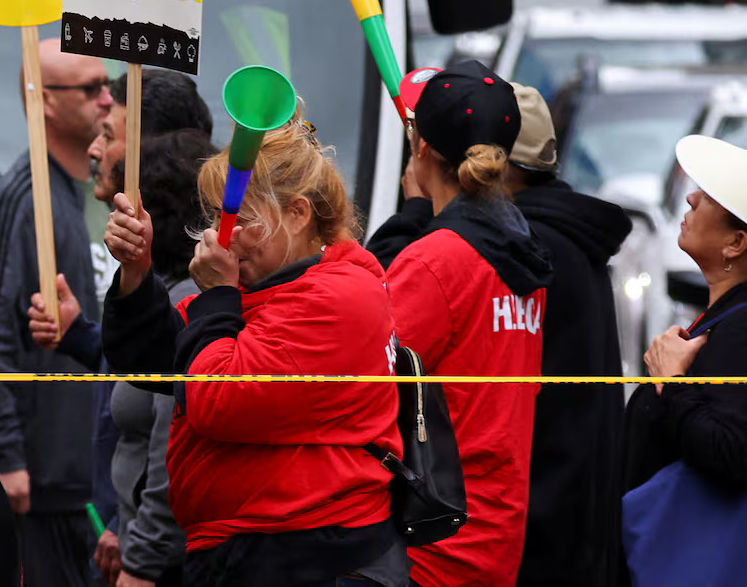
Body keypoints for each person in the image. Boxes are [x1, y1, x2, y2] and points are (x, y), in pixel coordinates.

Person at [98, 116, 408, 587]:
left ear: (299, 214)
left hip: (315, 556)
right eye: (220, 220)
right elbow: (151, 360)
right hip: (259, 552)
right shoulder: (265, 288)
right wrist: (136, 273)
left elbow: (218, 400)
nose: (226, 237)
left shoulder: (340, 295)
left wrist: (218, 297)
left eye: (242, 220)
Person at [382, 61, 552, 587]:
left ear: (421, 150)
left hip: (431, 548)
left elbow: (359, 385)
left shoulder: (434, 262)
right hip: (497, 541)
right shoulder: (525, 254)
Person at [32, 128, 216, 587]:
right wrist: (79, 335)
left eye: (110, 133)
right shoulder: (169, 296)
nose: (94, 148)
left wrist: (142, 559)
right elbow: (135, 364)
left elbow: (167, 448)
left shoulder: (193, 304)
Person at [0, 38, 112, 584]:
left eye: (108, 86)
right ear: (44, 99)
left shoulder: (73, 194)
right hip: (35, 487)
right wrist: (4, 455)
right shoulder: (21, 200)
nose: (106, 101)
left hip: (77, 486)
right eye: (92, 88)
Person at [499, 86, 627, 587]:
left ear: (500, 166)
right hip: (581, 514)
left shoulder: (531, 247)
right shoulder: (570, 235)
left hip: (539, 524)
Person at [620, 136, 747, 573]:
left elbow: (732, 453)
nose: (690, 197)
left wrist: (672, 384)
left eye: (708, 197)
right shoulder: (725, 317)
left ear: (735, 243)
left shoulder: (739, 330)